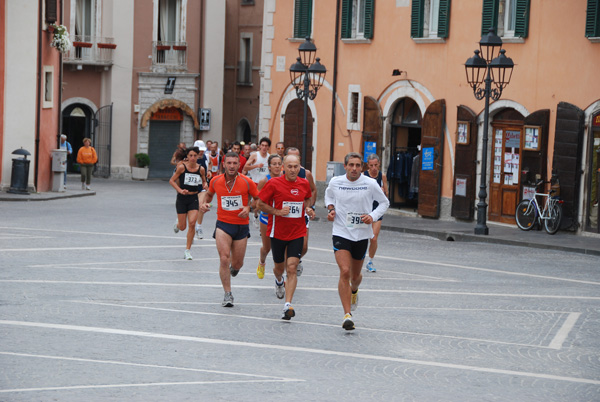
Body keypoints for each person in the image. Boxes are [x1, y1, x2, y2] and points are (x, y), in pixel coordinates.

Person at [324, 152, 389, 330]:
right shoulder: (336, 182)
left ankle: (354, 290)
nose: (354, 169)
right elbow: (329, 197)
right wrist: (330, 209)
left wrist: (372, 216)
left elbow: (384, 203)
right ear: (345, 166)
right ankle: (347, 315)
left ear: (363, 167)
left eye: (357, 165)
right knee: (344, 271)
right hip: (341, 232)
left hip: (361, 234)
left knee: (355, 276)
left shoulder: (370, 183)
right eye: (351, 165)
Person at [257, 154, 314, 320]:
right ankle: (278, 281)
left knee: (292, 267)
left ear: (299, 167)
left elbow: (308, 198)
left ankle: (288, 305)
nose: (293, 170)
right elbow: (260, 204)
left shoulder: (303, 183)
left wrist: (308, 209)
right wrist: (276, 212)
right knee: (279, 268)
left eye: (296, 166)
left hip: (297, 231)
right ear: (283, 167)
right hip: (278, 232)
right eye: (289, 166)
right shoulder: (274, 183)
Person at [199, 152, 259, 307]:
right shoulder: (215, 181)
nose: (232, 166)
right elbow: (209, 195)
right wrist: (205, 204)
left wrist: (249, 207)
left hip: (241, 226)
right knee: (224, 258)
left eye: (234, 163)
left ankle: (235, 268)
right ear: (223, 164)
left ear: (239, 165)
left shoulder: (247, 182)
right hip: (223, 224)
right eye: (229, 163)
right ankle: (227, 294)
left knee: (237, 263)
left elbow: (258, 199)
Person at [284, 147, 317, 277]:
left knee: (303, 247)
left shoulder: (306, 173)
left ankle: (297, 258)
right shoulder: (280, 173)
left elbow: (313, 190)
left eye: (296, 158)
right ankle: (287, 274)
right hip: (284, 214)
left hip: (301, 213)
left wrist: (310, 206)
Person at [170, 147, 206, 260]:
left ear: (198, 156)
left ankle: (187, 251)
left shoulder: (201, 169)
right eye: (191, 155)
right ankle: (178, 224)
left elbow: (204, 181)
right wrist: (180, 190)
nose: (193, 158)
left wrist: (205, 185)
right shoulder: (181, 168)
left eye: (195, 156)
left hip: (193, 198)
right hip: (182, 198)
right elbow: (171, 180)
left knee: (192, 223)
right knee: (182, 227)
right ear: (188, 157)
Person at [254, 154, 283, 280]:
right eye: (274, 164)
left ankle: (283, 274)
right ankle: (262, 262)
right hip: (266, 217)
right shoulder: (264, 181)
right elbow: (257, 202)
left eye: (279, 164)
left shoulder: (286, 179)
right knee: (267, 247)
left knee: (283, 247)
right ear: (269, 167)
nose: (277, 166)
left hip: (282, 218)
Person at [363, 154, 389, 273]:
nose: (374, 168)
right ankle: (358, 258)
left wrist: (383, 192)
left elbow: (387, 195)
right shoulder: (363, 175)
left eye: (376, 165)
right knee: (362, 237)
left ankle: (370, 261)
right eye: (371, 165)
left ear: (379, 164)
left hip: (377, 210)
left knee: (373, 238)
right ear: (368, 165)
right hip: (365, 209)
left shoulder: (382, 176)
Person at [243, 137, 271, 227]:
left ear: (268, 147)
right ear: (259, 146)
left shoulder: (270, 157)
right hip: (254, 182)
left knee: (260, 203)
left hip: (264, 184)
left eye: (266, 146)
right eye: (262, 145)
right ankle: (251, 215)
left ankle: (258, 218)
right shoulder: (255, 155)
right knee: (253, 203)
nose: (264, 147)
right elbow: (245, 167)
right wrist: (256, 166)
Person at [193, 140, 210, 239]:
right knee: (190, 208)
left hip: (202, 185)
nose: (201, 152)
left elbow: (210, 163)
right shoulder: (189, 158)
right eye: (199, 150)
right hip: (191, 186)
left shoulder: (206, 157)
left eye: (202, 150)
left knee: (201, 205)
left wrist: (210, 171)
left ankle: (199, 227)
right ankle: (180, 220)